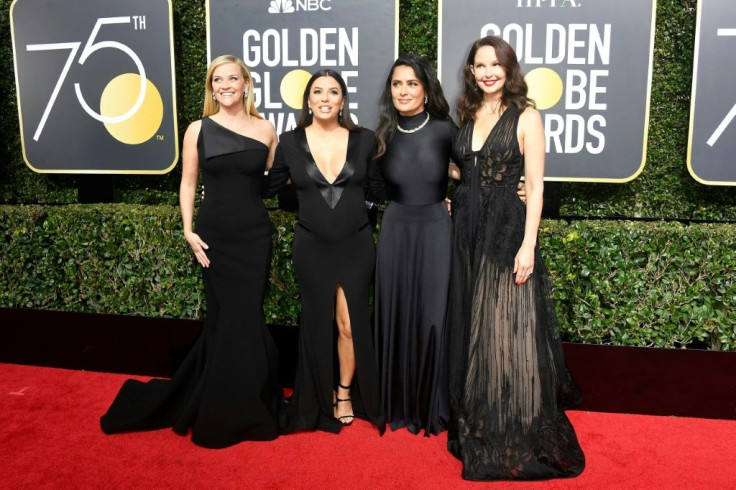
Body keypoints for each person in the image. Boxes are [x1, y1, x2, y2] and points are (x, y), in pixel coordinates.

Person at [100, 55, 282, 448]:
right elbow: (187, 184)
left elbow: (274, 181)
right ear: (211, 87)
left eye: (233, 78)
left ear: (246, 83)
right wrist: (187, 230)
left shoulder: (267, 129)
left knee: (247, 316)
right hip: (215, 237)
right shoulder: (197, 129)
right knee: (228, 318)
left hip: (254, 236)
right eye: (218, 80)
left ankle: (244, 402)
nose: (225, 85)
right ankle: (226, 405)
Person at [447, 36, 585, 480]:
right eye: (479, 65)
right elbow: (464, 166)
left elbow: (536, 185)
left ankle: (518, 423)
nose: (487, 72)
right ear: (471, 71)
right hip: (466, 228)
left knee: (509, 326)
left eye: (495, 64)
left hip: (507, 229)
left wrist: (529, 244)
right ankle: (480, 415)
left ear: (509, 69)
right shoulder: (466, 113)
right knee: (476, 325)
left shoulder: (527, 117)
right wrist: (458, 191)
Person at [264, 70, 385, 434]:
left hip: (355, 244)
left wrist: (437, 195)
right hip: (312, 245)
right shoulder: (288, 141)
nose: (325, 98)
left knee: (349, 324)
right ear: (308, 100)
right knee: (317, 324)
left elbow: (380, 188)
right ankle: (318, 395)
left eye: (333, 91)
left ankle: (345, 392)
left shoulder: (365, 140)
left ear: (343, 100)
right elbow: (267, 186)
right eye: (318, 91)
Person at [372, 54, 459, 436]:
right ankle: (395, 401)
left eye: (411, 83)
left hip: (436, 227)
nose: (403, 91)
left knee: (433, 315)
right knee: (396, 309)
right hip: (395, 227)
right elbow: (367, 185)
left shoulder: (445, 129)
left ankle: (431, 404)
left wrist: (519, 186)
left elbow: (471, 170)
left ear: (426, 89)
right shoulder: (381, 134)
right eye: (397, 84)